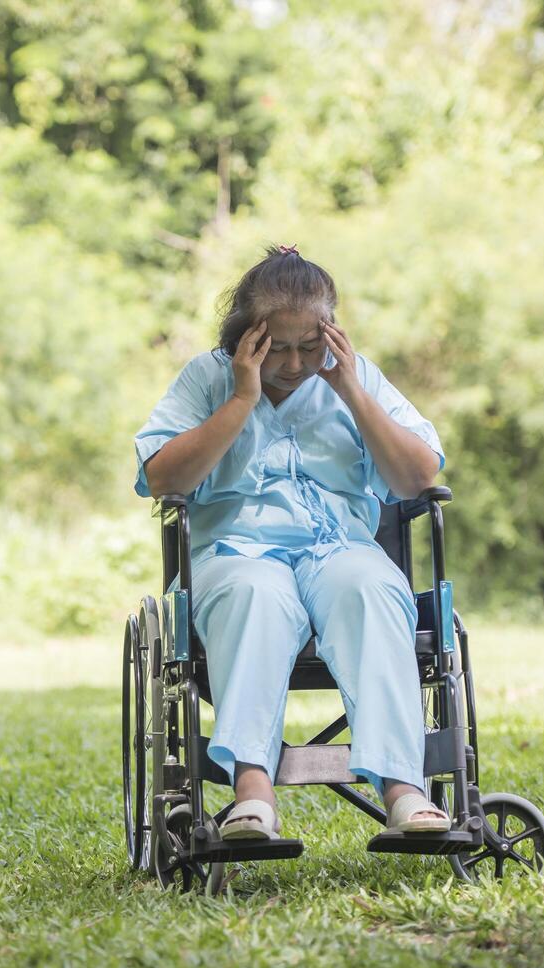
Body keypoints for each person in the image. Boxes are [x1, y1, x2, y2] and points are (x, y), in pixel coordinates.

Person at [132, 244, 451, 840]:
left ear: (331, 334)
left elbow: (418, 477)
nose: (296, 363)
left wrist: (352, 391)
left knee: (371, 586)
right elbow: (161, 478)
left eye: (310, 345)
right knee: (255, 592)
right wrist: (242, 398)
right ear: (246, 336)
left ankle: (404, 789)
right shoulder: (207, 378)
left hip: (338, 551)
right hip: (236, 553)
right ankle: (252, 789)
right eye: (278, 347)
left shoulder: (355, 376)